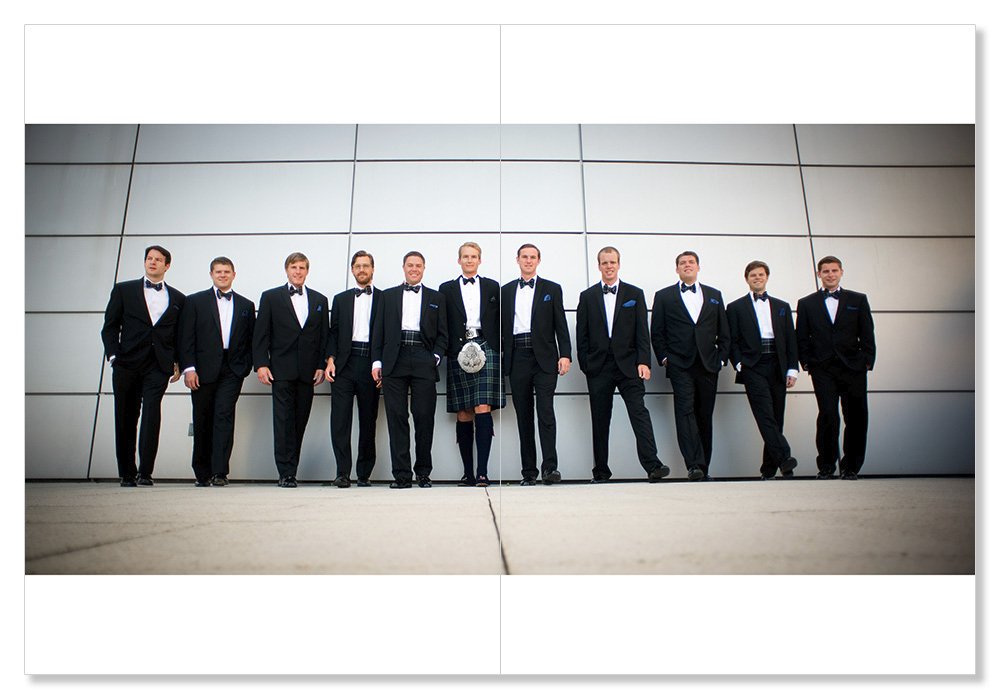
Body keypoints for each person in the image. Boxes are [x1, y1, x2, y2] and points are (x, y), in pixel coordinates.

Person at [576, 247, 670, 483]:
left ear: (619, 264)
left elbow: (642, 333)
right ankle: (600, 471)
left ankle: (653, 465)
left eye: (613, 262)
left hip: (630, 365)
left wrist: (644, 362)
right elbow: (582, 334)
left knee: (639, 413)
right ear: (598, 266)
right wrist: (587, 363)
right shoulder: (587, 297)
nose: (609, 266)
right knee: (600, 419)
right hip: (598, 367)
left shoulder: (634, 294)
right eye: (605, 262)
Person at [101, 245, 185, 487]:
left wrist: (177, 361)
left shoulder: (178, 298)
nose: (153, 262)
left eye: (158, 260)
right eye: (149, 258)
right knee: (125, 416)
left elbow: (178, 334)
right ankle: (127, 472)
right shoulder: (124, 290)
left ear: (167, 265)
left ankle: (146, 471)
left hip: (158, 366)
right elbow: (110, 326)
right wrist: (113, 357)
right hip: (127, 363)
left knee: (151, 413)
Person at [650, 251, 730, 482]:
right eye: (682, 263)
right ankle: (693, 465)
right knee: (685, 412)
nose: (687, 266)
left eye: (691, 262)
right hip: (680, 365)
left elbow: (724, 331)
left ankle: (704, 467)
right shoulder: (664, 296)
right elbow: (657, 332)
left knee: (704, 414)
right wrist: (665, 358)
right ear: (676, 269)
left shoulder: (714, 295)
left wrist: (721, 358)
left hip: (708, 364)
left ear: (698, 267)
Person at [371, 251, 448, 488]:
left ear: (424, 268)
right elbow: (378, 331)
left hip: (423, 358)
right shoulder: (387, 296)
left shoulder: (437, 297)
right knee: (397, 417)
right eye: (410, 265)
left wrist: (434, 356)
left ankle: (423, 473)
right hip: (394, 358)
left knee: (424, 417)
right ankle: (402, 475)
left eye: (418, 265)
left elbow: (444, 334)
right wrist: (377, 362)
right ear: (403, 267)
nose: (414, 269)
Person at [252, 252, 329, 488]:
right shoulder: (271, 297)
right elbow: (261, 333)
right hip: (280, 369)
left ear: (307, 271)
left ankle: (291, 469)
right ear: (286, 270)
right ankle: (285, 472)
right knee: (283, 421)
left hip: (308, 372)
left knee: (300, 421)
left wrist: (320, 366)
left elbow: (323, 337)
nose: (298, 271)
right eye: (294, 267)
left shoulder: (319, 300)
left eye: (302, 268)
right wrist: (261, 364)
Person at [795, 255, 876, 480]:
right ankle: (827, 465)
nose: (830, 274)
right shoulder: (807, 303)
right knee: (828, 415)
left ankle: (851, 466)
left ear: (841, 272)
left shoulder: (858, 300)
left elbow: (867, 332)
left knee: (856, 416)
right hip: (823, 368)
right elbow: (801, 336)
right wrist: (807, 362)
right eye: (826, 271)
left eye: (834, 271)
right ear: (818, 274)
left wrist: (867, 361)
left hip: (853, 368)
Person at [177, 256, 255, 487]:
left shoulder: (246, 305)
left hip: (232, 369)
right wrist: (188, 369)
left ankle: (220, 472)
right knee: (202, 418)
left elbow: (251, 339)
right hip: (202, 369)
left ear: (234, 275)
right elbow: (186, 338)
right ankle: (202, 472)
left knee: (224, 415)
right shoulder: (194, 302)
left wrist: (245, 365)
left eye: (227, 271)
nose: (222, 275)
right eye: (218, 272)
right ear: (211, 274)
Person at [501, 243, 571, 486]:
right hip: (517, 357)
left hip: (545, 359)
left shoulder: (552, 289)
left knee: (546, 414)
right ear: (517, 260)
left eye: (532, 257)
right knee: (524, 417)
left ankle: (550, 468)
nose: (528, 261)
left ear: (538, 261)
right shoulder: (506, 291)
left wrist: (566, 354)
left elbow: (560, 323)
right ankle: (528, 472)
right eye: (524, 257)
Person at [727, 260, 798, 480]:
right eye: (753, 275)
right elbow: (732, 339)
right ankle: (785, 457)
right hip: (753, 366)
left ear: (767, 277)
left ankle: (769, 469)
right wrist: (739, 364)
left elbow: (790, 339)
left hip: (778, 364)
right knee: (764, 414)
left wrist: (792, 369)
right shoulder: (735, 307)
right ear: (746, 279)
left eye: (760, 275)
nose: (757, 278)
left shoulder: (782, 306)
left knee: (777, 416)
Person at [439, 242, 503, 486]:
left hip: (485, 345)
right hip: (458, 349)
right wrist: (449, 351)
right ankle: (468, 473)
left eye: (473, 256)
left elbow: (501, 320)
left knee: (482, 406)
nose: (469, 260)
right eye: (465, 257)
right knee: (464, 410)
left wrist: (498, 347)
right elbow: (441, 322)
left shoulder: (492, 287)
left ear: (479, 260)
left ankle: (483, 472)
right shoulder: (446, 289)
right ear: (459, 261)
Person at [324, 251, 382, 488]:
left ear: (372, 269)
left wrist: (381, 365)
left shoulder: (384, 298)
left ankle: (364, 473)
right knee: (340, 420)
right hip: (344, 365)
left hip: (371, 363)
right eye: (358, 266)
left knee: (369, 420)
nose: (362, 270)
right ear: (352, 270)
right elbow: (333, 332)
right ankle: (342, 472)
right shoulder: (340, 299)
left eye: (366, 266)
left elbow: (388, 334)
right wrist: (329, 360)